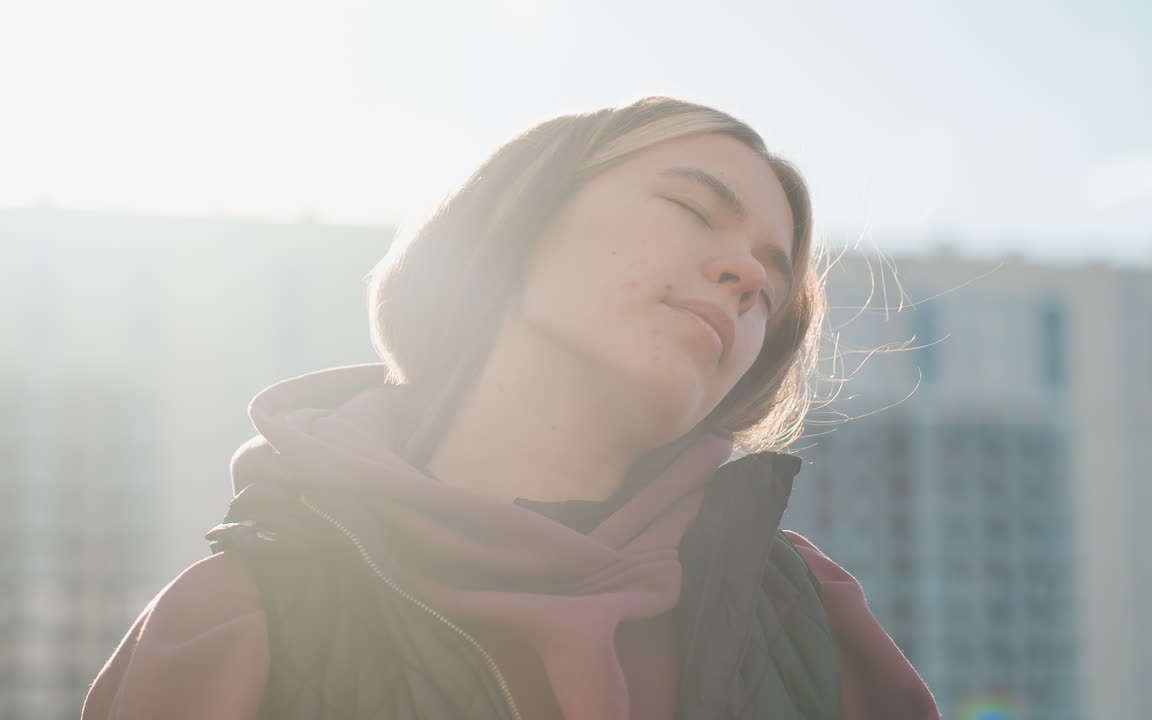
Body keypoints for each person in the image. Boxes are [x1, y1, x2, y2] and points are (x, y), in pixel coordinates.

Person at [82, 97, 939, 720]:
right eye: (692, 209)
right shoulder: (235, 619)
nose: (750, 277)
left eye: (773, 275)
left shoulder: (808, 613)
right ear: (512, 223)